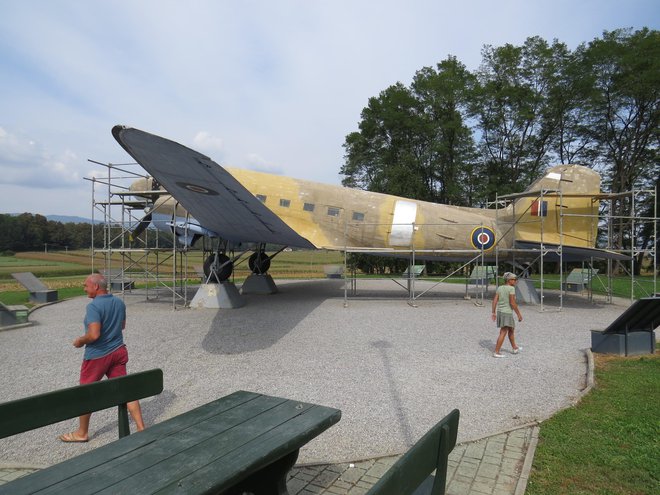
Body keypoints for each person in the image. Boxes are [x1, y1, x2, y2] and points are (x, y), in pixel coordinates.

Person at [59, 273, 144, 442]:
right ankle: (141, 428)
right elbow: (122, 326)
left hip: (98, 355)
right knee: (125, 389)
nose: (84, 289)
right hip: (118, 351)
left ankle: (82, 433)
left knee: (86, 393)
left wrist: (80, 341)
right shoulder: (119, 302)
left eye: (86, 286)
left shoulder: (93, 307)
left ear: (96, 287)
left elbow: (94, 335)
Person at [491, 271, 523, 358]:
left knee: (511, 329)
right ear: (509, 280)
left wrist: (493, 312)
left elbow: (494, 301)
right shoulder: (511, 289)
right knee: (503, 331)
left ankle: (514, 347)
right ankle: (496, 352)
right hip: (507, 313)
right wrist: (519, 314)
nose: (515, 281)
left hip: (500, 312)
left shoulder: (500, 288)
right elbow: (512, 303)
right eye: (514, 279)